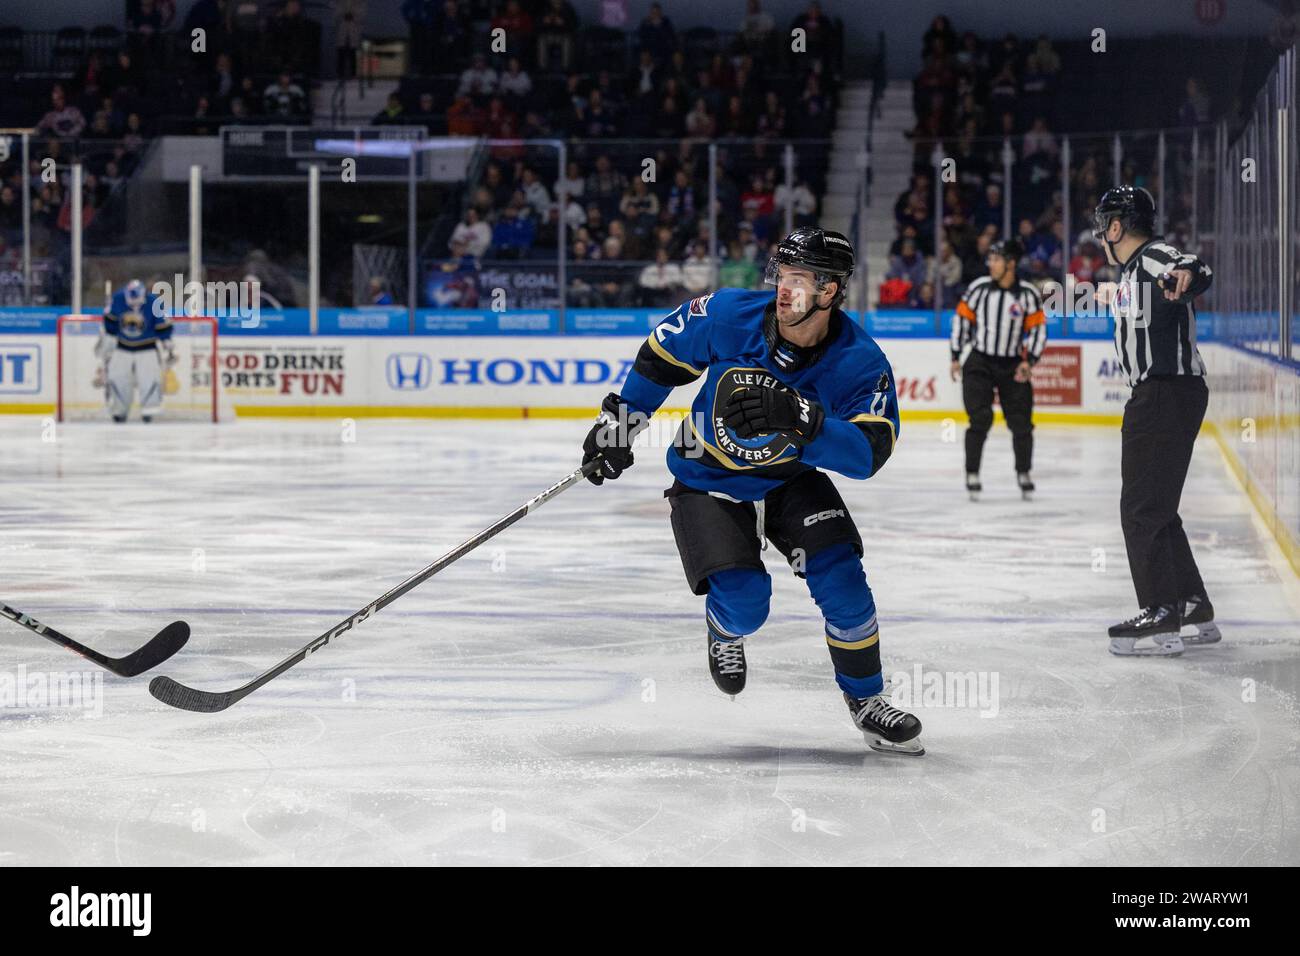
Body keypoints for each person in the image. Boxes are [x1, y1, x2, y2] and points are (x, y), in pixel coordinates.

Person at [578, 228, 923, 755]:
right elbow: (659, 359)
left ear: (830, 292)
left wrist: (805, 424)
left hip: (790, 480)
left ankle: (868, 701)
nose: (784, 290)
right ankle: (723, 630)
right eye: (782, 276)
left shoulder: (860, 360)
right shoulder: (726, 314)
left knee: (846, 587)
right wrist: (619, 427)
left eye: (800, 280)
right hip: (706, 480)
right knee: (746, 604)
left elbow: (869, 454)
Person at [1091, 186, 1219, 656]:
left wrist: (1188, 273)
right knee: (1158, 507)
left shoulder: (1152, 258)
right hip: (1167, 393)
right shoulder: (1132, 272)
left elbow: (1193, 266)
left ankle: (1161, 613)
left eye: (1104, 223)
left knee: (1141, 509)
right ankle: (1190, 603)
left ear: (1117, 226)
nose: (1100, 233)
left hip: (1162, 393)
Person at [949, 238, 1046, 499]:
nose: (990, 264)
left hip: (1012, 364)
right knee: (980, 419)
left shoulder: (1027, 294)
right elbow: (961, 320)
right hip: (979, 361)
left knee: (1022, 424)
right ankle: (972, 473)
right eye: (990, 259)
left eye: (996, 259)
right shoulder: (979, 289)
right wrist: (956, 355)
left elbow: (1037, 330)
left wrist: (1029, 361)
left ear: (1011, 263)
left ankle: (1023, 472)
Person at [101, 279, 175, 423]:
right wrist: (108, 340)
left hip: (147, 348)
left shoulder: (154, 302)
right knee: (117, 379)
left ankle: (149, 410)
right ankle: (119, 410)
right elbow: (110, 323)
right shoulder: (117, 298)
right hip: (122, 347)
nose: (134, 305)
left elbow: (163, 324)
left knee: (150, 380)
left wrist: (166, 340)